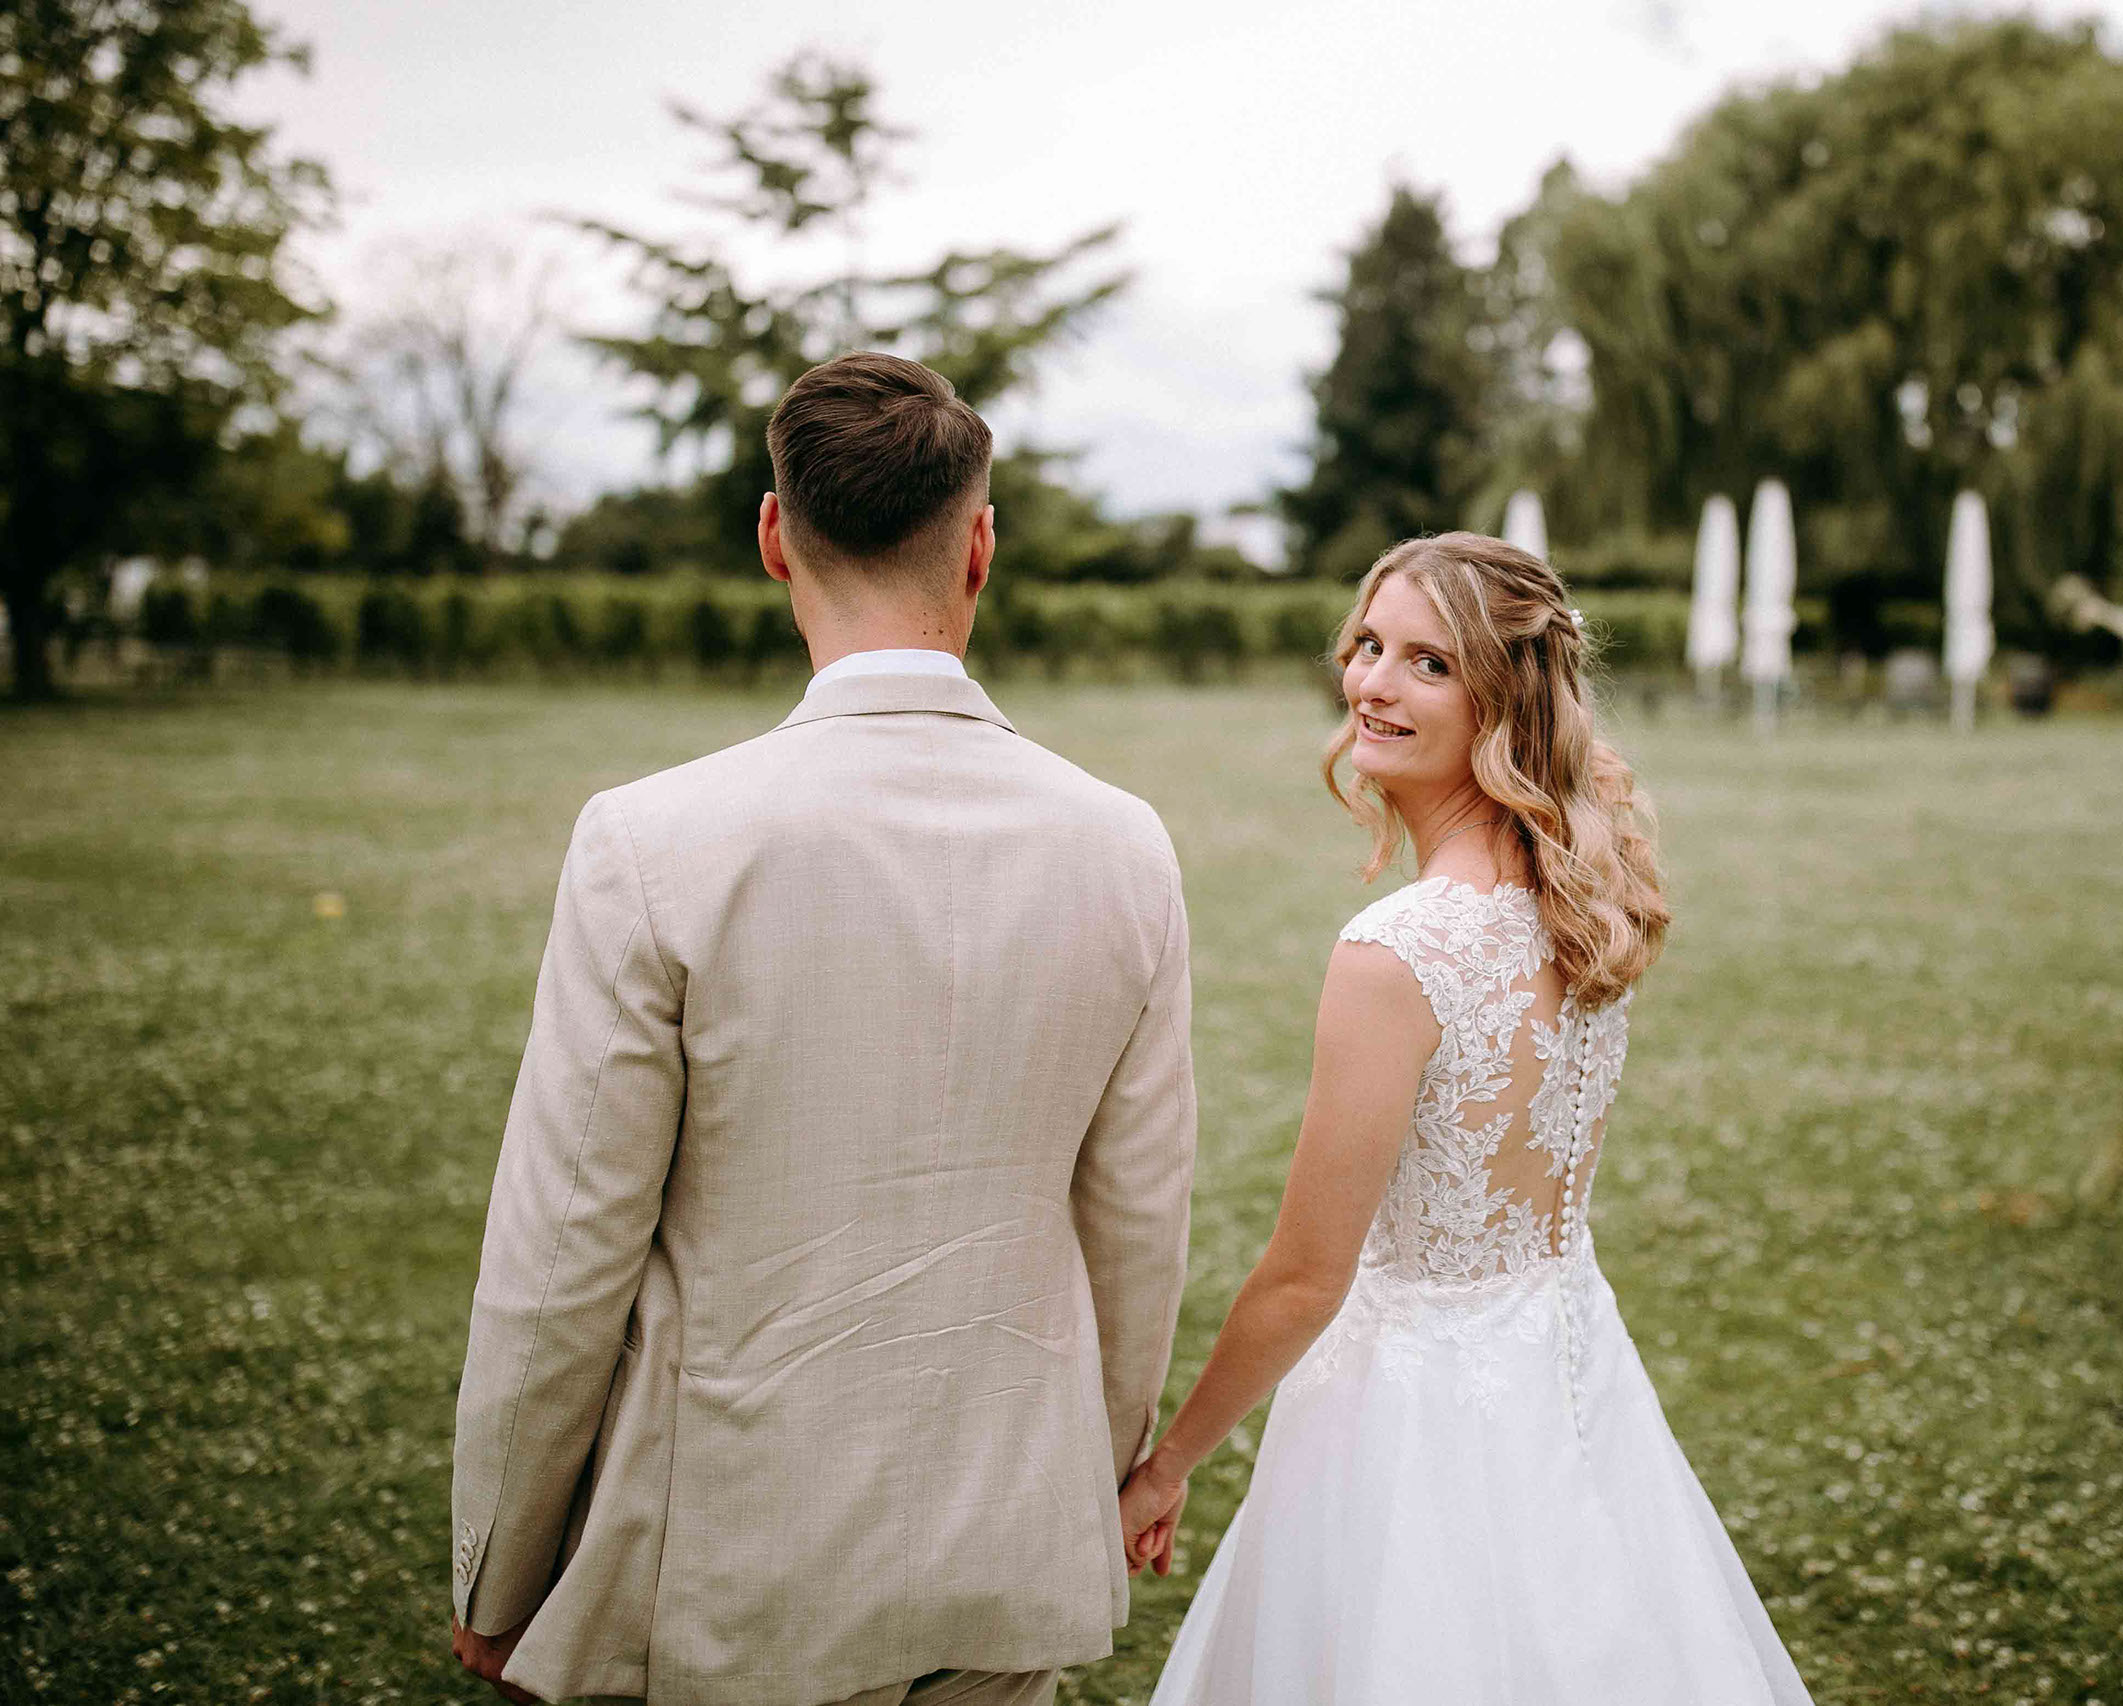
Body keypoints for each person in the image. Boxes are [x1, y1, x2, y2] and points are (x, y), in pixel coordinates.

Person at [448, 352, 1197, 1706]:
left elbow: (563, 1249)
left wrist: (503, 1570)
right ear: (980, 547)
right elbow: (1139, 1227)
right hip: (1007, 1553)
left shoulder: (655, 841)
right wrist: (1079, 1475)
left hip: (735, 1569)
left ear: (773, 537)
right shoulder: (1124, 845)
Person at [1118, 533, 1817, 1705]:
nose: (1373, 684)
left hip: (1411, 1419)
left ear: (1501, 696)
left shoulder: (1398, 950)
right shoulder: (1577, 900)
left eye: (1428, 663)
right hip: (1565, 1361)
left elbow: (1303, 1274)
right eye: (1369, 646)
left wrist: (1169, 1461)